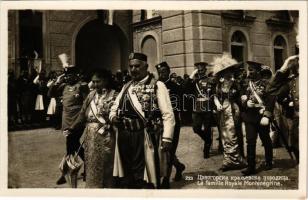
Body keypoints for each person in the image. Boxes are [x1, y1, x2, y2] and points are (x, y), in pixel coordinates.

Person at [110, 52, 175, 189]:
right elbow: (115, 106)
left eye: (137, 66)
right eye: (131, 67)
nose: (133, 70)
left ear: (146, 66)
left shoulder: (157, 85)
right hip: (124, 134)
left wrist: (167, 137)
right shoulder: (126, 86)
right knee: (126, 173)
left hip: (143, 135)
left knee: (143, 174)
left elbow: (168, 114)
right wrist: (113, 117)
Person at [64, 69, 117, 188]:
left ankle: (108, 187)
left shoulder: (114, 94)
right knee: (91, 162)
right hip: (91, 135)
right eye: (93, 82)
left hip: (107, 135)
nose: (94, 84)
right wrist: (72, 128)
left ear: (106, 81)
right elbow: (82, 114)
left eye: (98, 81)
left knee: (107, 162)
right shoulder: (91, 95)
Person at [50, 53, 89, 185]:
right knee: (73, 145)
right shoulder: (63, 86)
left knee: (71, 145)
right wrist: (57, 81)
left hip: (78, 120)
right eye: (66, 75)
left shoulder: (82, 86)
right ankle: (86, 167)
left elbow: (87, 103)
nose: (67, 77)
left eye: (70, 75)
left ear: (76, 75)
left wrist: (85, 119)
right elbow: (50, 93)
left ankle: (65, 172)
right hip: (66, 121)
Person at [211, 54, 247, 171]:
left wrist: (242, 99)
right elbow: (214, 96)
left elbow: (239, 96)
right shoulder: (218, 86)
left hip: (233, 110)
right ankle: (227, 161)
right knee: (224, 135)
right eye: (227, 73)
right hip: (222, 112)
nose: (230, 76)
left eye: (230, 73)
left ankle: (238, 159)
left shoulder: (235, 84)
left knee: (233, 134)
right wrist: (217, 104)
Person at [240, 61, 275, 176]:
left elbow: (270, 100)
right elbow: (241, 99)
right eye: (249, 69)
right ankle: (251, 166)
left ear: (258, 71)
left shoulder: (266, 84)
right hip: (249, 117)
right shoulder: (245, 84)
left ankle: (269, 161)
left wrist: (267, 115)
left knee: (265, 139)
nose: (249, 72)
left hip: (261, 116)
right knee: (250, 141)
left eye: (252, 70)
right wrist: (246, 103)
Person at [155, 61, 186, 188]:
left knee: (169, 149)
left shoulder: (175, 86)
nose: (161, 74)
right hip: (158, 122)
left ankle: (166, 180)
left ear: (168, 71)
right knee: (161, 149)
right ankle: (179, 166)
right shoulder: (155, 86)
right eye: (159, 72)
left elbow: (180, 105)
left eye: (164, 71)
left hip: (172, 121)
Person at [267, 55, 299, 164]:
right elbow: (271, 89)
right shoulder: (291, 81)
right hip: (296, 117)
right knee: (295, 143)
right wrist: (283, 68)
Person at [184, 62, 215, 158]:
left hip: (207, 108)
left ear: (205, 70)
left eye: (202, 70)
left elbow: (214, 94)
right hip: (197, 108)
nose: (200, 72)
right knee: (196, 128)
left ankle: (206, 150)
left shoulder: (211, 80)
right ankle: (208, 140)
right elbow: (185, 86)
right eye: (199, 70)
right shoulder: (194, 81)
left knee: (207, 129)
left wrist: (214, 107)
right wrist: (191, 75)